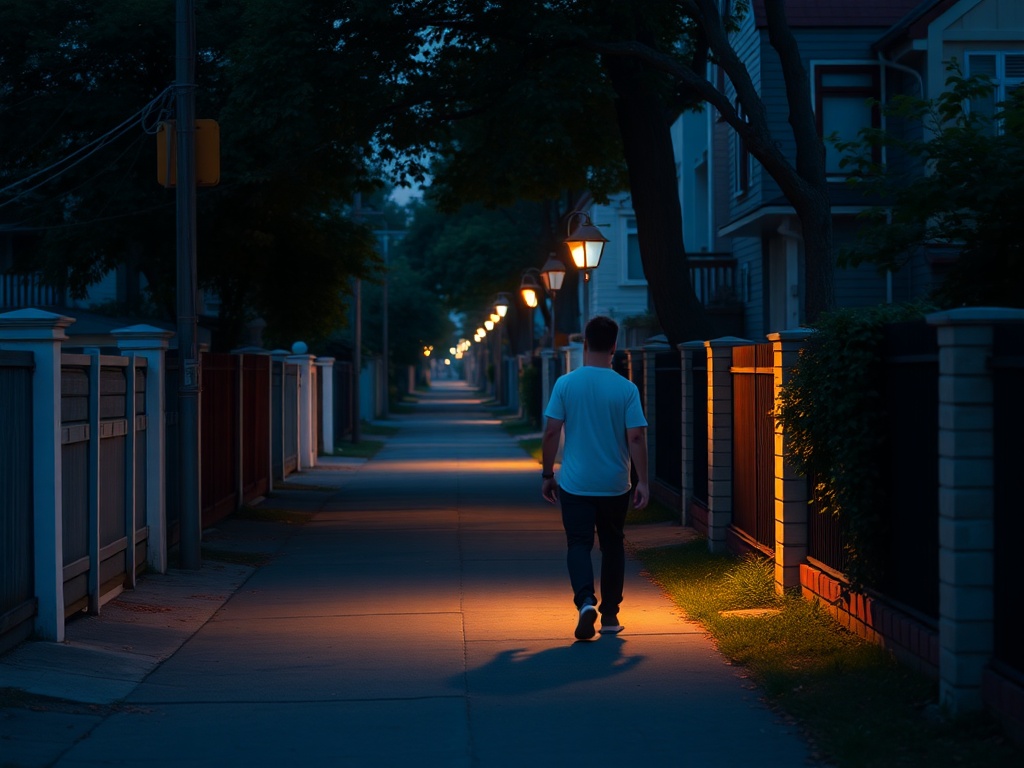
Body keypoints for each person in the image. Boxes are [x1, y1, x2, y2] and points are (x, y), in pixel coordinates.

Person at [541, 315, 649, 640]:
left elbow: (550, 432)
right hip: (615, 483)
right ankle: (611, 616)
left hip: (575, 483)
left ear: (585, 343)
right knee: (613, 545)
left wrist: (548, 474)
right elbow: (636, 438)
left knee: (578, 543)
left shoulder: (565, 384)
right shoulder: (626, 389)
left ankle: (585, 600)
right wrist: (643, 480)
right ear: (615, 346)